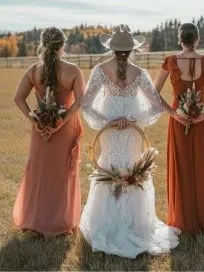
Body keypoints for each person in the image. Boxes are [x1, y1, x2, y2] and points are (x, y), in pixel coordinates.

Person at [79, 24, 179, 258]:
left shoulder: (100, 69)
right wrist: (134, 119)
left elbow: (86, 104)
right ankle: (136, 226)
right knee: (132, 167)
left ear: (111, 49)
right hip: (133, 129)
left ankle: (107, 225)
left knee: (109, 165)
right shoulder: (140, 73)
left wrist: (107, 121)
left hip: (110, 129)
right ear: (132, 49)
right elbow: (155, 107)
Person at [154, 23, 204, 233]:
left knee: (183, 167)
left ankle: (184, 219)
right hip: (201, 122)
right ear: (197, 39)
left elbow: (153, 92)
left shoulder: (170, 61)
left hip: (179, 121)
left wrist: (173, 112)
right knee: (203, 167)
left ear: (180, 39)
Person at [13, 27, 85, 237]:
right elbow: (80, 101)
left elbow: (18, 99)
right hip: (65, 127)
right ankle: (60, 223)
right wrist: (60, 123)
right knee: (63, 174)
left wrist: (35, 120)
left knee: (40, 174)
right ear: (62, 45)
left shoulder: (34, 70)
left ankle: (35, 221)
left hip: (41, 129)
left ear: (44, 45)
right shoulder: (73, 70)